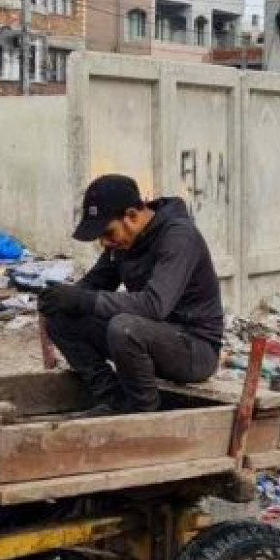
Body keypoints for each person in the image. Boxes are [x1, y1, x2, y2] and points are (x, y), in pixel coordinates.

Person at [38, 174, 225, 415]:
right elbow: (94, 284)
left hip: (195, 349)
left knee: (124, 328)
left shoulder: (179, 237)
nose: (105, 243)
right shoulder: (124, 242)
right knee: (61, 319)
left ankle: (142, 411)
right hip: (146, 337)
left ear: (132, 216)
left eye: (108, 233)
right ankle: (114, 401)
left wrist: (83, 300)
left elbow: (154, 305)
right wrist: (60, 297)